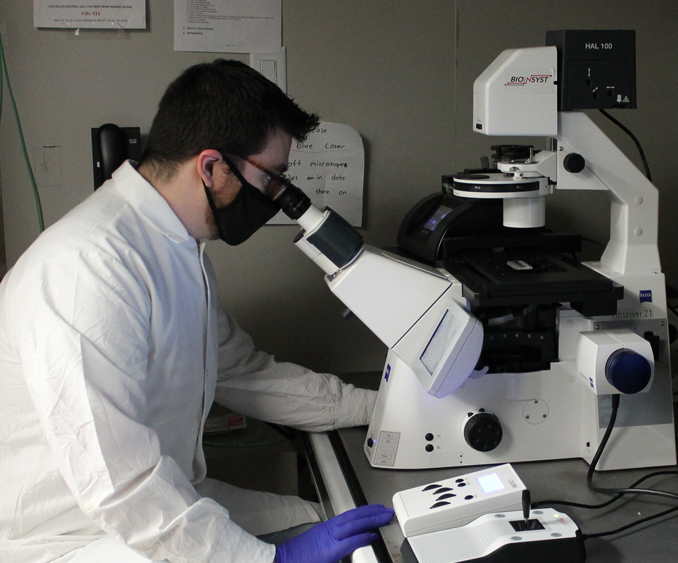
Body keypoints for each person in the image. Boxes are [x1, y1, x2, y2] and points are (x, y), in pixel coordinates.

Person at [0, 60, 393, 563]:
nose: (275, 197)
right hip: (74, 537)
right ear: (210, 166)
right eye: (270, 178)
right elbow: (120, 485)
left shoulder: (178, 249)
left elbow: (244, 374)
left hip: (159, 502)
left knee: (318, 518)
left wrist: (382, 409)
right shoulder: (88, 266)